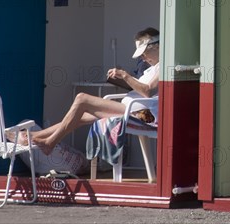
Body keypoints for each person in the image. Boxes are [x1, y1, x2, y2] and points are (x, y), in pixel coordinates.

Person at [15, 27, 161, 155]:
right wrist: (123, 80)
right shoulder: (149, 69)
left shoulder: (164, 66)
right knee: (80, 116)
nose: (142, 57)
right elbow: (140, 89)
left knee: (81, 98)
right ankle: (34, 136)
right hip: (130, 109)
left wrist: (124, 75)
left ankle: (50, 142)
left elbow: (147, 91)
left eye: (144, 53)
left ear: (157, 46)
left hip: (142, 115)